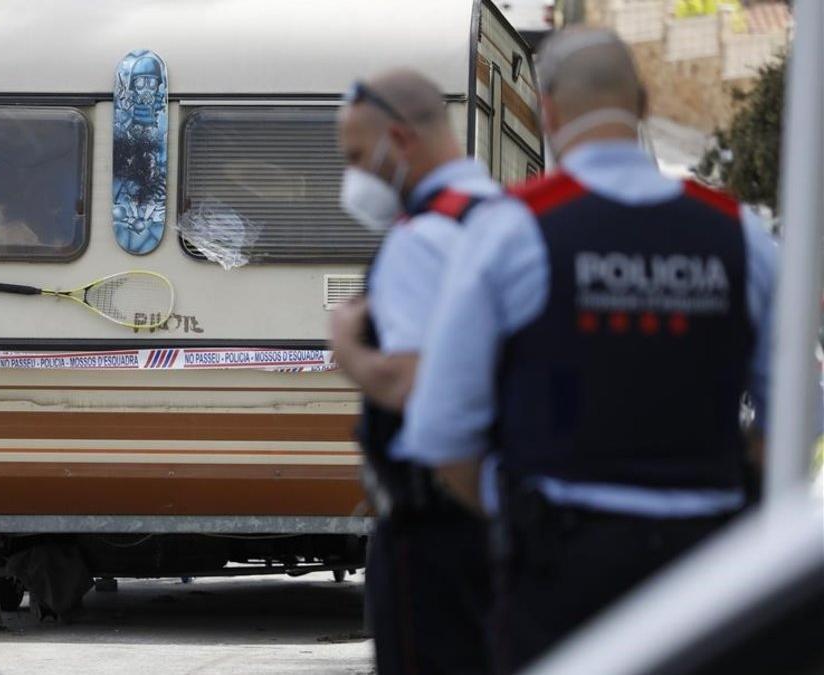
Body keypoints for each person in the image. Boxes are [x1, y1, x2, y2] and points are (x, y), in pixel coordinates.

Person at [392, 29, 787, 672]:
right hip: (706, 569)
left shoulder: (513, 230)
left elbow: (442, 433)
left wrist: (520, 514)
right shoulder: (741, 235)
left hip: (561, 568)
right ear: (644, 102)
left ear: (546, 110)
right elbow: (793, 415)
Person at [329, 69, 500, 674]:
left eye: (355, 156)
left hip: (433, 525)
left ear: (398, 141)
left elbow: (414, 386)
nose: (352, 178)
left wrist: (348, 351)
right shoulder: (501, 217)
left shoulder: (421, 238)